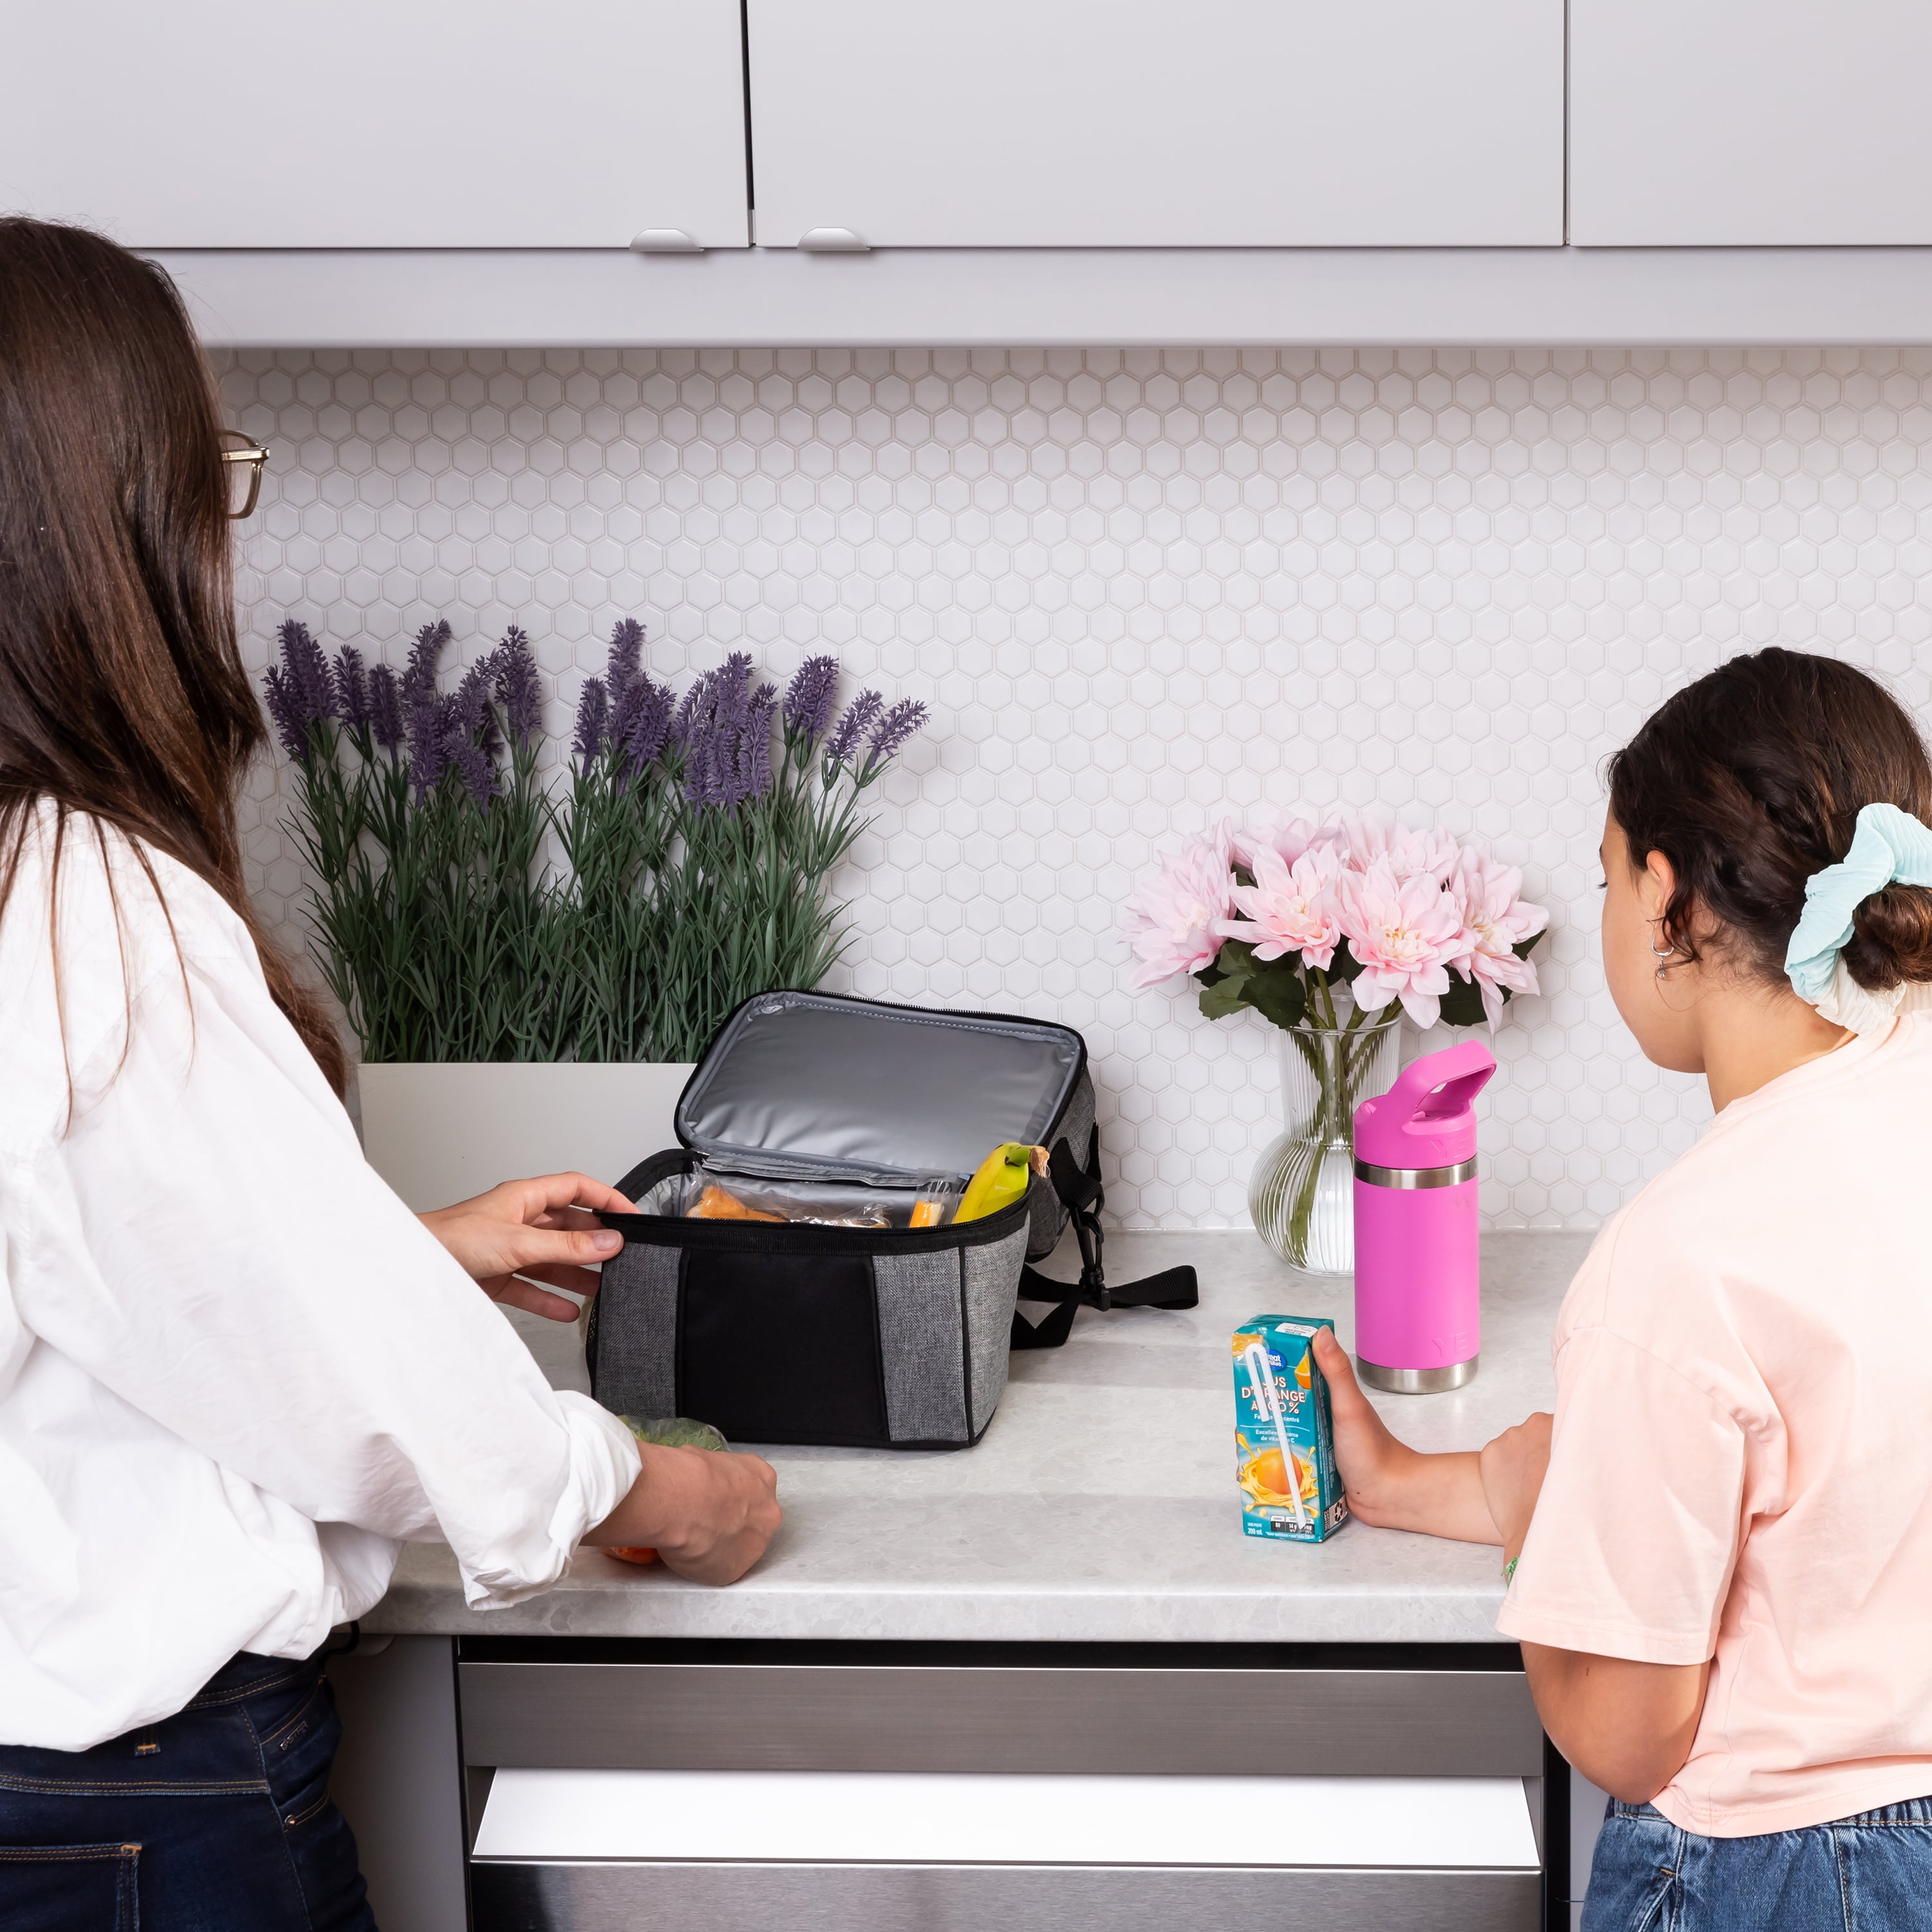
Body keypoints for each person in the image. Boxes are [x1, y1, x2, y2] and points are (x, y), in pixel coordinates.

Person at [0, 218, 780, 1928]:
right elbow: (423, 1434)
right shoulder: (88, 909)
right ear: (99, 529)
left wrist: (400, 1245)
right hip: (133, 1810)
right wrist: (686, 1495)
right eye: (206, 472)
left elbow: (60, 1303)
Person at [1312, 647, 1932, 1929]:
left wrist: (1541, 1536)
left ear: (1667, 900)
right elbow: (1820, 1490)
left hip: (1790, 1873)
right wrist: (1413, 1485)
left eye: (1605, 876)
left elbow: (1627, 1740)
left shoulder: (1685, 1254)